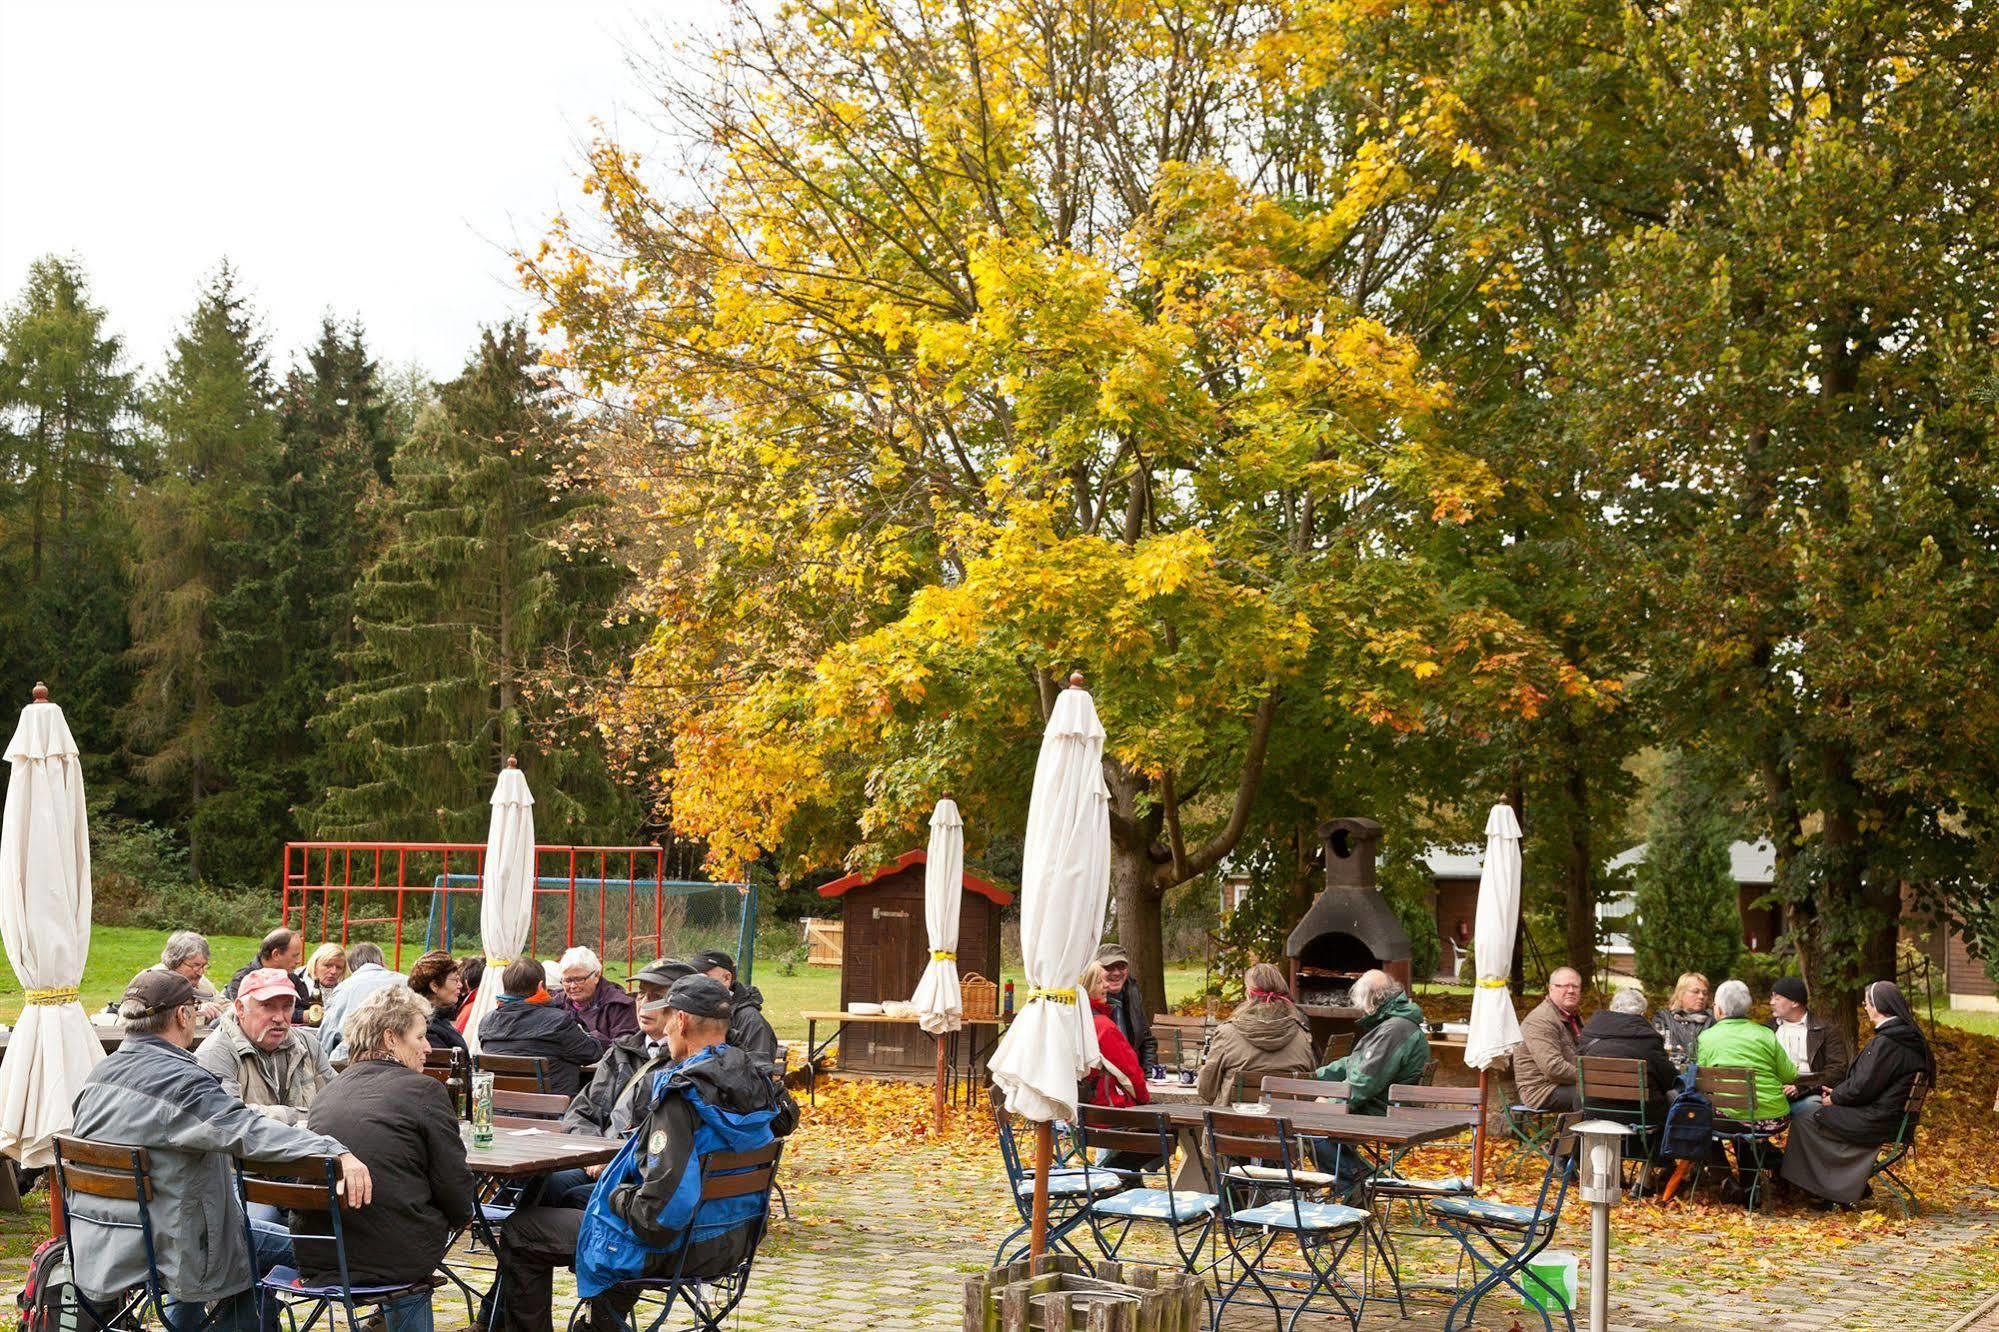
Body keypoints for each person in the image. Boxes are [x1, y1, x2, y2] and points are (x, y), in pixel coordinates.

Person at [67, 970, 372, 1332]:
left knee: (241, 1240)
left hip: (101, 1241)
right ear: (183, 1016)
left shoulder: (99, 1075)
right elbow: (249, 1130)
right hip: (175, 1247)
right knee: (328, 1247)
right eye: (195, 1008)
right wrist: (332, 1149)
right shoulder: (178, 1080)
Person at [491, 976, 799, 1332]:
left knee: (522, 1229)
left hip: (681, 1244)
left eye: (668, 1018)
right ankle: (600, 1322)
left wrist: (618, 1194)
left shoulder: (683, 1095)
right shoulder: (759, 1083)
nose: (666, 1028)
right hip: (733, 1236)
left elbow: (659, 1216)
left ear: (681, 1021)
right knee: (575, 1197)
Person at [297, 986, 475, 1332]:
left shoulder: (330, 1089)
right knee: (408, 1236)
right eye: (421, 1037)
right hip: (393, 1256)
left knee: (401, 1222)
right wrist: (461, 1217)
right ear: (391, 1039)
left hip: (319, 1252)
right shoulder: (424, 1090)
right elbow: (454, 1186)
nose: (428, 1047)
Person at [1781, 980, 1936, 1209]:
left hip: (1876, 1120)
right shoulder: (1907, 1038)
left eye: (1867, 1003)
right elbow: (1868, 1084)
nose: (1865, 1008)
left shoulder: (1888, 1042)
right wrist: (1839, 1094)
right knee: (1816, 1110)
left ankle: (1828, 1189)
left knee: (1808, 1114)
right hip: (1892, 1118)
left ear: (1878, 1006)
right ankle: (1842, 1184)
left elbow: (1861, 1087)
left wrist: (1834, 1098)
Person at [193, 968, 335, 1126]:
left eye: (287, 1007)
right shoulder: (216, 1053)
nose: (279, 1018)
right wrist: (302, 1117)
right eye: (268, 1006)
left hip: (312, 1148)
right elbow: (228, 1119)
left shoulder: (307, 1045)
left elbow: (339, 1098)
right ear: (241, 1009)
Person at [1694, 978, 1795, 1199]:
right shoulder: (1766, 1034)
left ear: (1719, 1009)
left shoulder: (1707, 1037)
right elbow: (1789, 1075)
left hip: (1730, 1115)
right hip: (1772, 1117)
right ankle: (1751, 1185)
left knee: (1700, 1118)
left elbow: (1700, 1079)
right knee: (1744, 1123)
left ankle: (1724, 1179)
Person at [562, 974, 679, 1138]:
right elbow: (582, 1112)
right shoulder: (620, 1051)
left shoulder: (692, 1058)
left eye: (657, 997)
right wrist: (595, 1153)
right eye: (641, 994)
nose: (644, 1004)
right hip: (605, 1154)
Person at [478, 956, 601, 1097]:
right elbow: (592, 1053)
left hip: (499, 1110)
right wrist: (591, 1034)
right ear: (540, 986)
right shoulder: (557, 1021)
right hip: (553, 1112)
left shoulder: (486, 1023)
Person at [1196, 963, 1315, 1107]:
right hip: (1287, 1127)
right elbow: (1311, 1089)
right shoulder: (1302, 1036)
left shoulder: (1227, 1034)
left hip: (1231, 1126)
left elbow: (1206, 1090)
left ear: (1249, 994)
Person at [1577, 987, 1678, 1122]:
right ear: (1642, 1013)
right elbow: (1670, 1081)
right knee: (1675, 1098)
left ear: (1612, 1009)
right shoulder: (1649, 1039)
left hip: (1592, 1110)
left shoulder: (1589, 1033)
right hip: (1638, 1114)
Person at [691, 949, 782, 1075]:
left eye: (703, 977)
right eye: (693, 977)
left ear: (727, 978)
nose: (695, 983)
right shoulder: (691, 1013)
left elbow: (758, 1077)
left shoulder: (751, 1020)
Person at [1768, 976, 1852, 1106]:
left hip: (1810, 1094)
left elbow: (1837, 1069)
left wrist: (1801, 1087)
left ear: (1795, 1002)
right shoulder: (1767, 1030)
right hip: (1771, 1094)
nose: (1771, 1002)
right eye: (1772, 997)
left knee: (1812, 1106)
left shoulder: (1826, 1030)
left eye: (1777, 998)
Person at [1514, 967, 1585, 1111]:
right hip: (1541, 1091)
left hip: (1568, 1083)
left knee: (1610, 1092)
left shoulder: (1573, 1017)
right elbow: (1553, 1068)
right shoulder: (1541, 1020)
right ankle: (1574, 1134)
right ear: (1551, 988)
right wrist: (1593, 1076)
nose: (1571, 990)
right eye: (1564, 986)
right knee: (1598, 1097)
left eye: (1575, 986)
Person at [1080, 961, 1148, 1108]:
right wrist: (1144, 1099)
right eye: (1099, 982)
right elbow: (1130, 1072)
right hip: (1108, 1113)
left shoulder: (1071, 1021)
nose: (1106, 985)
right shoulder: (1102, 1025)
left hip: (1076, 1116)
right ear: (1085, 988)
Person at [318, 943, 404, 1060]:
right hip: (402, 1057)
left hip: (352, 1061)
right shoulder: (406, 981)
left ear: (352, 968)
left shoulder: (345, 987)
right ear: (381, 962)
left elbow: (328, 1034)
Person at [557, 946, 640, 1051]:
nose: (573, 986)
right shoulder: (556, 1003)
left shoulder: (619, 1006)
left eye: (579, 979)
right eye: (567, 980)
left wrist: (587, 1039)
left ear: (596, 976)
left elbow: (626, 1047)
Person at [1094, 943, 1158, 1073]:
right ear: (1095, 970)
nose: (1116, 972)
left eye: (1121, 966)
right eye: (1109, 967)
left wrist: (1149, 1074)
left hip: (1132, 1076)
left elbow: (1147, 1040)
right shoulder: (1088, 999)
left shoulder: (1131, 991)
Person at [138, 931, 227, 1023]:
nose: (200, 972)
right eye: (195, 965)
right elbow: (151, 1021)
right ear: (175, 961)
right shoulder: (153, 982)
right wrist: (195, 1010)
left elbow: (223, 1005)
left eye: (204, 966)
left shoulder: (199, 982)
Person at [226, 929, 311, 1022]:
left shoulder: (293, 978)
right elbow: (246, 1014)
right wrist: (301, 1016)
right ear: (276, 954)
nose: (299, 961)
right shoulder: (242, 980)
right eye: (295, 956)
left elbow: (308, 1009)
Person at [407, 950, 467, 1056]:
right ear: (434, 986)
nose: (460, 985)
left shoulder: (435, 1019)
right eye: (455, 980)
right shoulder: (426, 1028)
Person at [1652, 972, 1714, 1068]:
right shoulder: (1663, 1018)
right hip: (1672, 1076)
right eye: (1695, 991)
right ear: (1681, 994)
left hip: (1703, 1077)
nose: (1701, 996)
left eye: (1705, 993)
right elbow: (1658, 1052)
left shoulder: (1713, 1020)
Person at [301, 944, 348, 1018]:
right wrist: (302, 1015)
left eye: (339, 967)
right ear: (315, 964)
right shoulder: (297, 982)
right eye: (328, 965)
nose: (333, 971)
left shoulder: (346, 990)